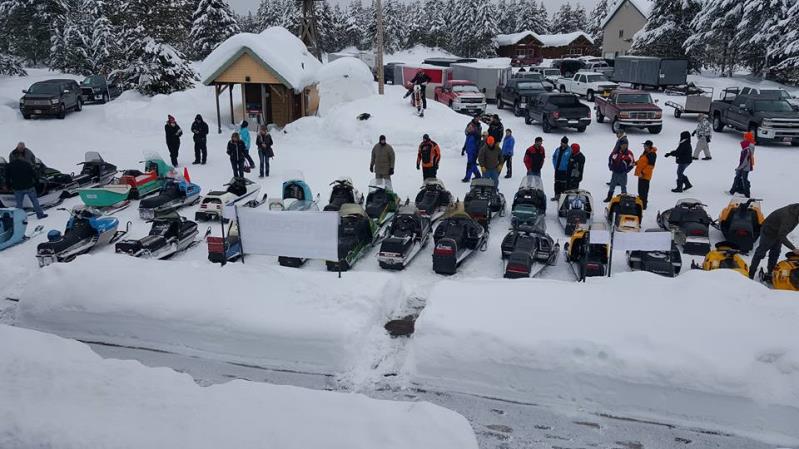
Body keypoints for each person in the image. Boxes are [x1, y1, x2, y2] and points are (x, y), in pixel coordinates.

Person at [748, 203, 799, 280]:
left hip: (779, 231)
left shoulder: (796, 210)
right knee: (760, 253)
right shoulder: (789, 217)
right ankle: (751, 274)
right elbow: (781, 235)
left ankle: (770, 273)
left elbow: (781, 234)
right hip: (768, 231)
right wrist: (793, 249)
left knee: (775, 253)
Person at [604, 137, 635, 202]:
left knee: (623, 186)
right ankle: (609, 197)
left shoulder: (629, 154)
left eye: (626, 145)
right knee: (612, 185)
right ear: (620, 145)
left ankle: (624, 198)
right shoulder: (616, 152)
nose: (624, 146)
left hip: (623, 173)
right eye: (623, 145)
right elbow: (611, 159)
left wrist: (627, 170)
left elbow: (632, 163)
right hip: (615, 172)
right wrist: (611, 167)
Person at [730, 131, 755, 198]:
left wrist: (739, 168)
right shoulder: (748, 147)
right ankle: (733, 190)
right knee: (739, 178)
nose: (743, 139)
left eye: (745, 137)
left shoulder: (747, 149)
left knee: (743, 179)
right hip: (745, 166)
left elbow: (745, 160)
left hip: (745, 167)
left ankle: (746, 193)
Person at [634, 140, 657, 209]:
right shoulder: (646, 152)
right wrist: (635, 163)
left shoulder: (652, 154)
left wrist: (643, 173)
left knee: (644, 191)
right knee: (640, 190)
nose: (644, 147)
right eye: (644, 145)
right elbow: (642, 161)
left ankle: (643, 205)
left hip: (645, 176)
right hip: (641, 175)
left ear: (649, 146)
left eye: (645, 145)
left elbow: (650, 166)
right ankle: (640, 202)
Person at [551, 136, 571, 201]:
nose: (562, 144)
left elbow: (571, 160)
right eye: (562, 142)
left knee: (563, 184)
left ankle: (562, 198)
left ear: (566, 143)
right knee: (557, 183)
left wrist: (567, 166)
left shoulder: (570, 150)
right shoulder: (558, 149)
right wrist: (555, 165)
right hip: (557, 170)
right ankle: (556, 196)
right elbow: (554, 157)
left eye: (564, 143)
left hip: (564, 171)